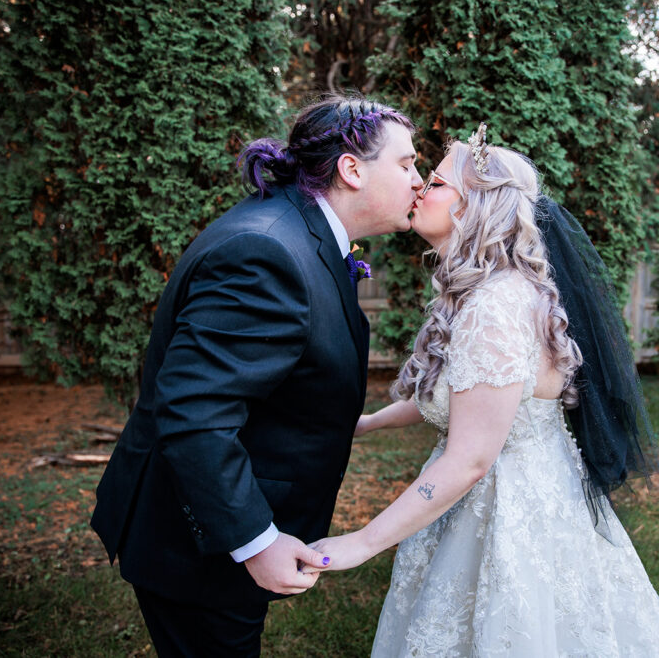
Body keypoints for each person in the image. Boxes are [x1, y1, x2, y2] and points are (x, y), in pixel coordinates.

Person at [309, 125, 659, 656]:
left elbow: (469, 459)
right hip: (497, 498)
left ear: (476, 207)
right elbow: (465, 396)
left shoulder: (495, 307)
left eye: (437, 182)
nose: (420, 188)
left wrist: (361, 542)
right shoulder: (489, 291)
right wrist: (371, 422)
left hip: (510, 516)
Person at [90, 96, 422, 657]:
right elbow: (195, 412)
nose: (419, 179)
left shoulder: (299, 232)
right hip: (197, 543)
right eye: (408, 163)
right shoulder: (267, 251)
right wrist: (253, 540)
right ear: (351, 168)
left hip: (213, 536)